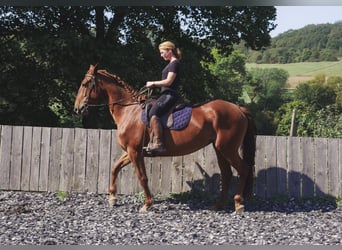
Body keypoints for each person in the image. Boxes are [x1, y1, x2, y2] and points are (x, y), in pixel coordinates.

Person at [145, 41, 182, 153]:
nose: (161, 55)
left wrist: (153, 83)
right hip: (165, 94)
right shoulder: (171, 63)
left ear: (169, 51)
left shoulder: (174, 64)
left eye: (162, 52)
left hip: (170, 94)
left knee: (153, 113)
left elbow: (169, 81)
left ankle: (159, 143)